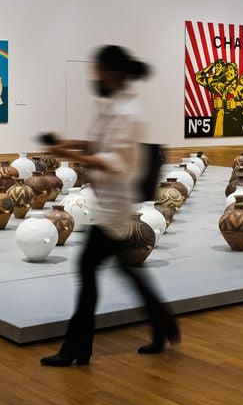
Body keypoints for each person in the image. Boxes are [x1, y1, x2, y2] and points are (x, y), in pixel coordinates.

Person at [40, 45, 179, 367]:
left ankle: (76, 348)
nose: (94, 76)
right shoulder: (114, 106)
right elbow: (100, 144)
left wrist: (72, 155)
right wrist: (68, 144)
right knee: (124, 269)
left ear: (114, 73)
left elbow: (115, 161)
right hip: (106, 199)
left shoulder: (129, 114)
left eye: (99, 71)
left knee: (87, 268)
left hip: (114, 203)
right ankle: (163, 324)